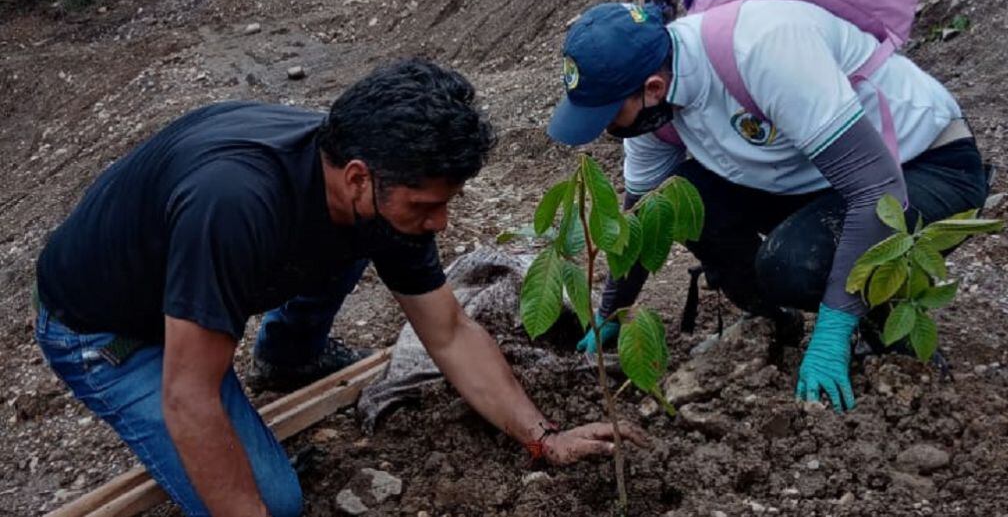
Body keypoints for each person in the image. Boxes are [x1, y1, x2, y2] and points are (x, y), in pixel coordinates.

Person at [34, 59, 646, 517]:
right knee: (273, 504)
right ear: (358, 176)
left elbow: (450, 330)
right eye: (428, 205)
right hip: (109, 332)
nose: (441, 223)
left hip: (205, 269)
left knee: (371, 237)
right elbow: (189, 398)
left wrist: (545, 438)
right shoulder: (235, 204)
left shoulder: (368, 178)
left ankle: (286, 353)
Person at [547, 2, 988, 413]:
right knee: (680, 198)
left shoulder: (763, 51)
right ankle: (774, 324)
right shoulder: (652, 116)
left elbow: (876, 191)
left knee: (791, 265)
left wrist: (831, 334)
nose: (605, 128)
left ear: (653, 87)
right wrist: (610, 312)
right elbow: (642, 215)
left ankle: (885, 331)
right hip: (818, 179)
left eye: (608, 114)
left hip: (924, 167)